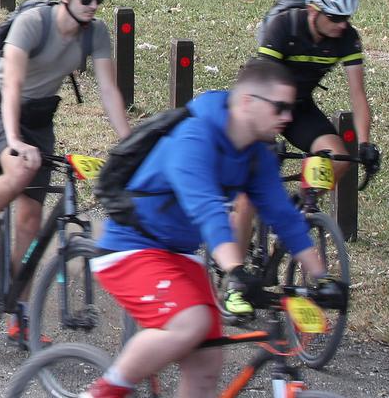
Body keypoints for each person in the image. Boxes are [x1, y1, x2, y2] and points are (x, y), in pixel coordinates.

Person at [85, 60, 347, 398]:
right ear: (248, 102)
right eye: (280, 107)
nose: (288, 118)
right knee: (189, 325)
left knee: (207, 363)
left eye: (292, 108)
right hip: (132, 248)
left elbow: (286, 219)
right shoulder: (194, 137)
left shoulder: (256, 155)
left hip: (179, 254)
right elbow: (207, 210)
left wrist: (322, 278)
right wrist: (235, 270)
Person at [0, 0, 133, 340]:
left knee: (30, 221)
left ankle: (19, 313)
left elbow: (109, 91)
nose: (92, 5)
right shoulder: (32, 23)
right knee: (19, 169)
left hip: (39, 117)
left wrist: (130, 144)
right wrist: (15, 142)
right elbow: (13, 88)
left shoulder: (96, 33)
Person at [232, 0, 377, 310]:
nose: (343, 24)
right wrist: (264, 133)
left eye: (347, 18)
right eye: (336, 17)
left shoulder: (346, 37)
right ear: (313, 11)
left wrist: (367, 144)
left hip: (299, 107)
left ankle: (300, 207)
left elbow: (359, 96)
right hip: (260, 104)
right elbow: (263, 84)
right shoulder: (284, 27)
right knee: (249, 194)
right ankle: (234, 283)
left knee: (337, 156)